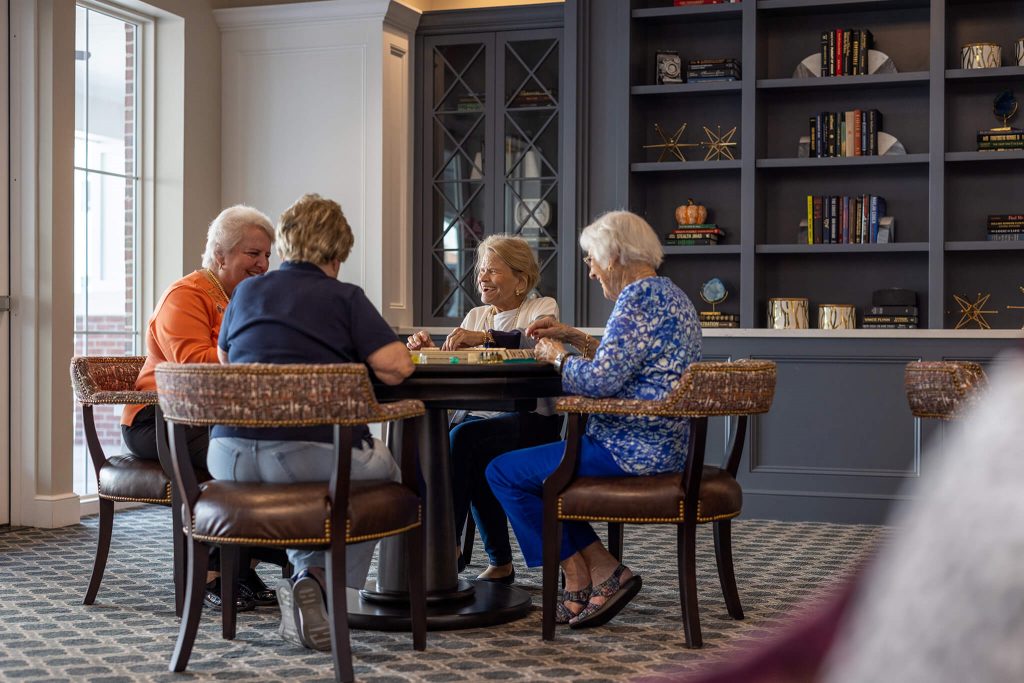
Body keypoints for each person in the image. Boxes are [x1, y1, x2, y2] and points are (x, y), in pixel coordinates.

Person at [208, 193, 414, 652]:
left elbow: (225, 359)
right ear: (339, 252)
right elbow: (396, 367)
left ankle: (307, 579)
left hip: (228, 458)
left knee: (323, 488)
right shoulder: (344, 298)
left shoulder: (244, 292)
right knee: (385, 479)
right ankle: (320, 582)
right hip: (305, 455)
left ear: (283, 246)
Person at [487, 210, 702, 628]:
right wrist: (576, 338)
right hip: (662, 443)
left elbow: (601, 381)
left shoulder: (637, 298)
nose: (591, 271)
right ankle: (603, 570)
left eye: (591, 259)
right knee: (538, 474)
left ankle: (579, 572)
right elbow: (627, 363)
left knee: (504, 472)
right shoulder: (668, 294)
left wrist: (557, 355)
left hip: (632, 450)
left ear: (615, 255)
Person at [120, 204, 278, 612]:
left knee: (279, 452)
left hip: (215, 415)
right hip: (160, 417)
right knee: (245, 456)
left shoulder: (247, 298)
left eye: (266, 255)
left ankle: (240, 564)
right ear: (221, 255)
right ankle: (210, 569)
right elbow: (193, 364)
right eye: (252, 254)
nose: (263, 264)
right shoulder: (186, 295)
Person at [406, 235, 562, 584]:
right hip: (481, 417)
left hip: (532, 420)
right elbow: (461, 364)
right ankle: (500, 562)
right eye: (481, 270)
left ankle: (445, 547)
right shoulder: (477, 315)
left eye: (492, 270)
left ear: (520, 279)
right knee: (459, 444)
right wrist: (433, 349)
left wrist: (483, 338)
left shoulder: (541, 307)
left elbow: (532, 340)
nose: (482, 277)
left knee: (465, 440)